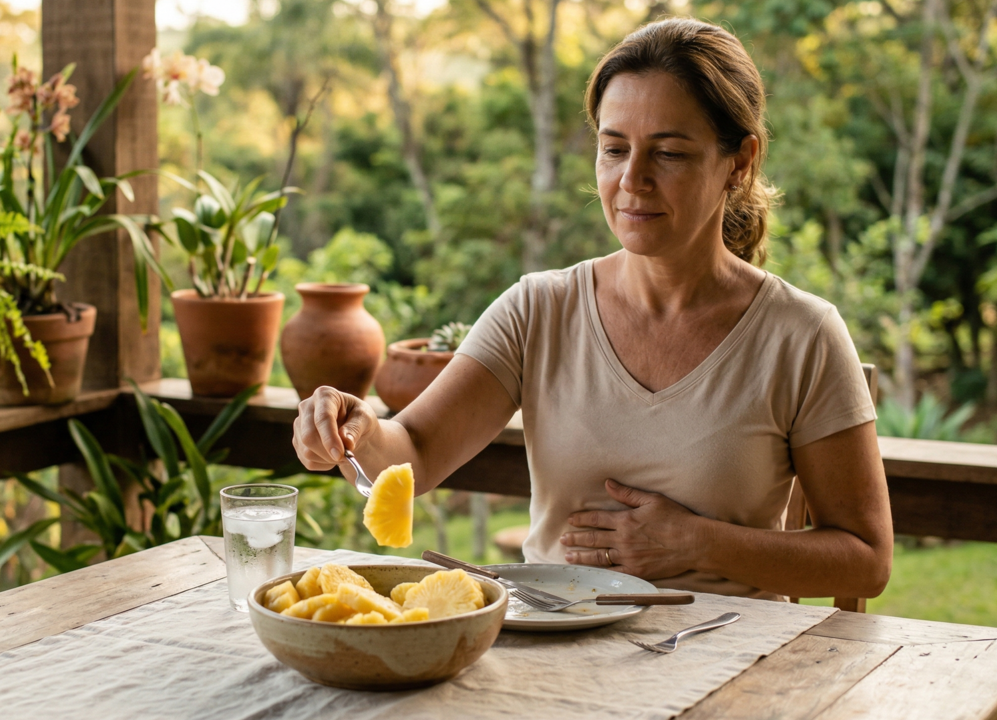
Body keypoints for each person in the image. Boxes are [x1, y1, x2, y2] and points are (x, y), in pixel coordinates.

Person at [292, 17, 892, 600]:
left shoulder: (803, 335)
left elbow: (865, 561)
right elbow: (415, 454)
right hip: (552, 655)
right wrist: (357, 432)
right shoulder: (538, 310)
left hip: (732, 665)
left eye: (670, 153)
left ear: (739, 163)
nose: (632, 179)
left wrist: (696, 544)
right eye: (614, 148)